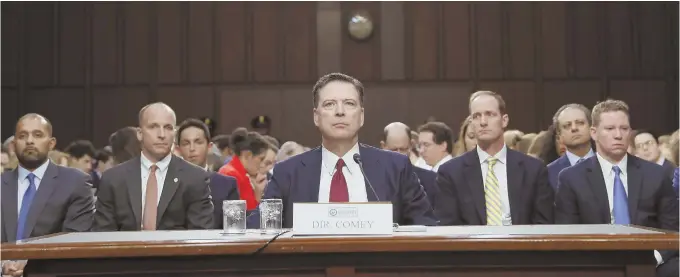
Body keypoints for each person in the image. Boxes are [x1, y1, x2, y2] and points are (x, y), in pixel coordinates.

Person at [250, 73, 436, 228]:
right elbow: (258, 229)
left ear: (361, 116)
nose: (340, 111)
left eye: (349, 103)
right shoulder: (287, 172)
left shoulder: (396, 167)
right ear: (316, 116)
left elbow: (426, 226)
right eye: (330, 104)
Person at [554, 100, 678, 277]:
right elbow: (567, 236)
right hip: (595, 265)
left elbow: (671, 229)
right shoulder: (571, 178)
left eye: (624, 128)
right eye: (610, 129)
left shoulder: (656, 175)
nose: (618, 135)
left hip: (651, 262)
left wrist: (654, 258)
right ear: (594, 133)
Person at [435, 90, 554, 226]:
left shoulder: (534, 169)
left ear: (504, 121)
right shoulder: (451, 173)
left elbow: (543, 225)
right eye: (476, 116)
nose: (483, 122)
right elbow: (448, 228)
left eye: (490, 114)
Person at [93, 103, 214, 231]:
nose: (161, 134)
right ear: (139, 133)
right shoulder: (113, 179)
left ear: (174, 134)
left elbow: (200, 236)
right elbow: (103, 236)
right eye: (153, 127)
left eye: (168, 128)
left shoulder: (195, 178)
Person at [1, 114, 95, 276]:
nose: (29, 141)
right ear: (14, 144)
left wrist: (29, 268)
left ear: (51, 143)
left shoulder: (75, 183)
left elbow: (73, 243)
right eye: (23, 136)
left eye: (37, 135)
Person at [175, 118, 239, 229]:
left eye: (198, 142)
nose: (192, 148)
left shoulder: (227, 185)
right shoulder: (169, 184)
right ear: (178, 149)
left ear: (209, 147)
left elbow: (234, 228)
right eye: (186, 143)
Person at [381, 122, 438, 207]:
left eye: (403, 149)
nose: (398, 154)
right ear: (383, 146)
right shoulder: (369, 179)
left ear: (411, 145)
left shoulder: (431, 180)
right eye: (394, 150)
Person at [217, 128, 272, 211]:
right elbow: (243, 217)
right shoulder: (231, 176)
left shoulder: (241, 175)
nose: (262, 165)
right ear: (247, 155)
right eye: (261, 159)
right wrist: (258, 195)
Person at [547, 104, 595, 190]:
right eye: (567, 125)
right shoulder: (549, 173)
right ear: (559, 136)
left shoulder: (608, 164)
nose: (574, 128)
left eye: (580, 123)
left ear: (591, 128)